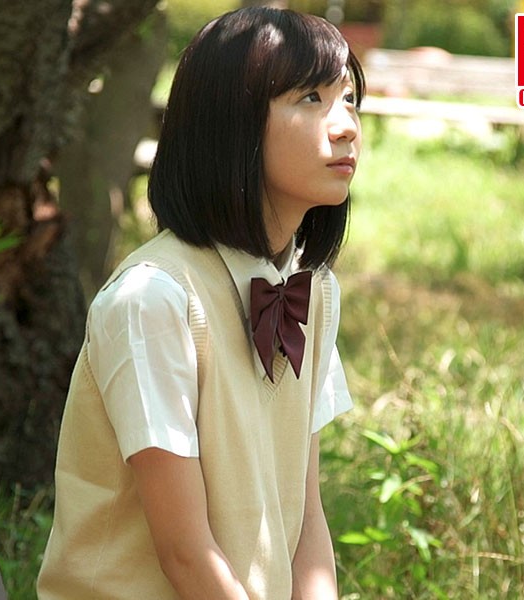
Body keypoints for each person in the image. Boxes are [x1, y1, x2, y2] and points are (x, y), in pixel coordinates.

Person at [37, 6, 365, 600]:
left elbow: (306, 517)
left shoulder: (313, 290)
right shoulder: (152, 300)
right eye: (311, 98)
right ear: (233, 122)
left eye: (349, 99)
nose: (345, 126)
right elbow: (185, 554)